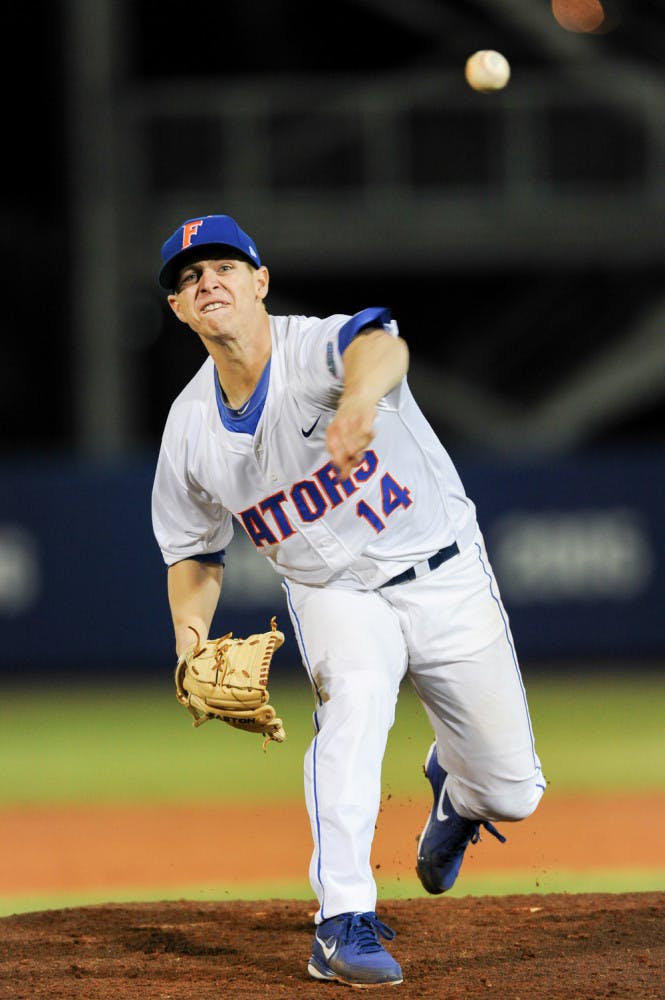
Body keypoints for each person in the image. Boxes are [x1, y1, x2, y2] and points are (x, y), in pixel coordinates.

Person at [151, 213, 546, 988]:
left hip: (441, 572)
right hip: (333, 593)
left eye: (223, 267)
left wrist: (359, 401)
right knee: (353, 707)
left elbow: (381, 344)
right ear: (178, 309)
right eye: (189, 279)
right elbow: (193, 551)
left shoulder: (317, 349)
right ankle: (340, 921)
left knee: (514, 792)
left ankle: (458, 793)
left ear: (260, 282)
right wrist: (189, 639)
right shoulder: (188, 430)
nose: (208, 284)